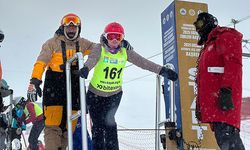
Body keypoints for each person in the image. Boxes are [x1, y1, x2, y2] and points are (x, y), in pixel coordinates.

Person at [78, 22, 178, 150]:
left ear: (122, 38)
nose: (114, 40)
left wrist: (162, 71)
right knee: (98, 126)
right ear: (105, 37)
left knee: (110, 124)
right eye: (111, 37)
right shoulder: (99, 48)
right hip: (95, 94)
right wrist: (86, 68)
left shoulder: (126, 52)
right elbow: (91, 59)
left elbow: (144, 63)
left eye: (118, 37)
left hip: (114, 94)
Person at [27, 13, 96, 150]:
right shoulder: (52, 43)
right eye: (68, 27)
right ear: (63, 27)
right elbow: (41, 62)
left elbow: (99, 49)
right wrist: (35, 80)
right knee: (53, 127)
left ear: (78, 28)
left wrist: (116, 44)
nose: (71, 30)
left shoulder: (82, 43)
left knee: (68, 129)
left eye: (74, 28)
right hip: (55, 87)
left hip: (74, 88)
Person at [194, 12, 245, 150]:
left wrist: (226, 90)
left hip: (224, 102)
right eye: (195, 26)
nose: (198, 29)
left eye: (200, 24)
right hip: (215, 104)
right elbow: (203, 79)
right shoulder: (208, 46)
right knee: (224, 140)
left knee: (229, 141)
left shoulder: (225, 36)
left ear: (209, 22)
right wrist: (200, 106)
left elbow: (233, 64)